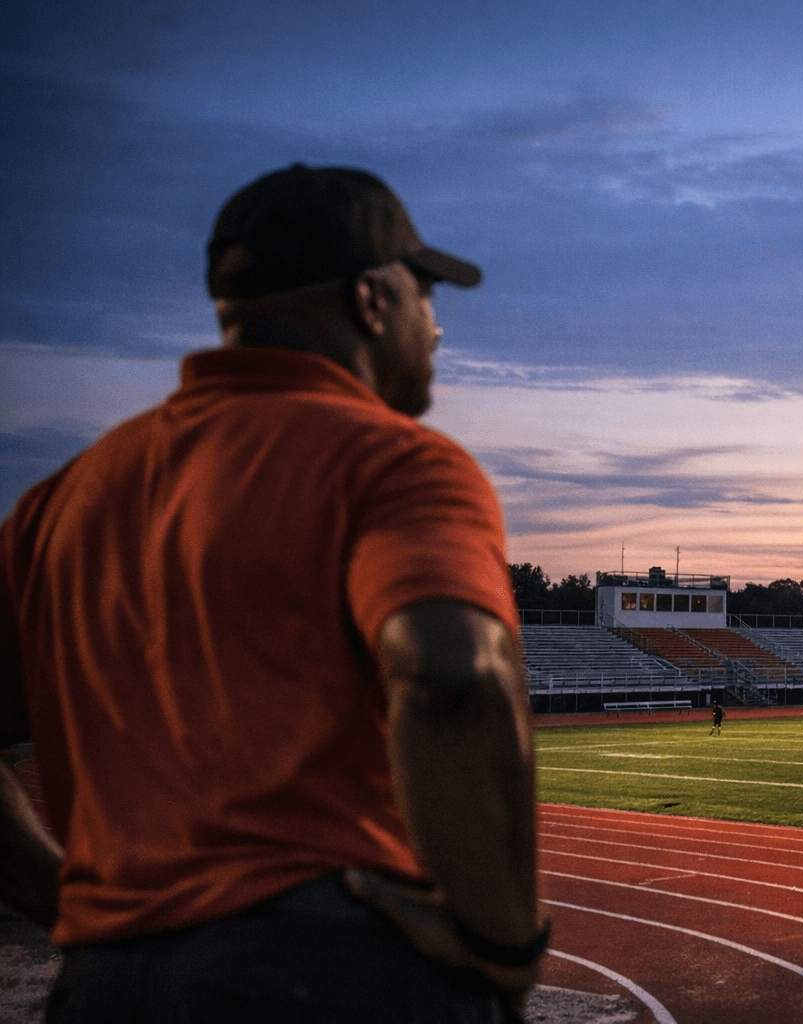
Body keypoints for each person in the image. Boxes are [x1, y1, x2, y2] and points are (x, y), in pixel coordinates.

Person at [0, 165, 549, 1022]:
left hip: (105, 985)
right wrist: (504, 941)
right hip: (330, 967)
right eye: (425, 294)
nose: (437, 327)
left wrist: (77, 911)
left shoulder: (60, 500)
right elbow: (453, 675)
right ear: (372, 300)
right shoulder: (393, 461)